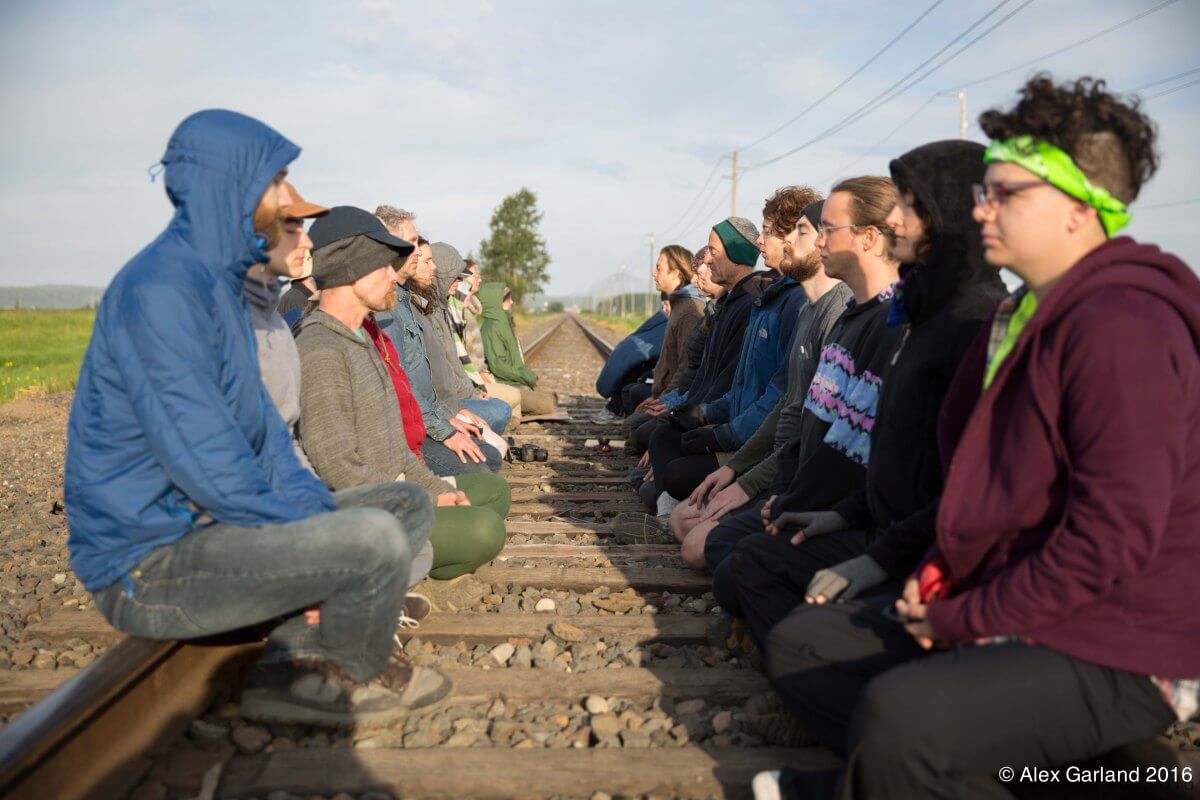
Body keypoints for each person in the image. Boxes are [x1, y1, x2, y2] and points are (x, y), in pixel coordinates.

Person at [757, 75, 1200, 800]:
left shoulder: (1123, 328)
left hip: (1121, 638)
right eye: (982, 189)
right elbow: (982, 490)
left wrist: (963, 617)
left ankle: (882, 779)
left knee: (899, 718)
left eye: (1007, 192)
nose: (981, 206)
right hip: (1021, 595)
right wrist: (900, 564)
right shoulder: (1023, 315)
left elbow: (1112, 541)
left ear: (1077, 206)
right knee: (810, 645)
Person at [64, 110, 450, 729]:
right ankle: (305, 671)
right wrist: (323, 543)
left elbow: (271, 446)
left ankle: (324, 645)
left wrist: (319, 523)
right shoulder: (162, 292)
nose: (291, 199)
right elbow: (208, 462)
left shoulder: (229, 295)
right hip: (151, 559)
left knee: (400, 509)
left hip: (213, 529)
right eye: (277, 182)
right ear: (230, 189)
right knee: (371, 539)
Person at [726, 142, 1007, 659]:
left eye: (912, 205)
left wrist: (879, 551)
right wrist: (844, 514)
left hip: (925, 546)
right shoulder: (921, 312)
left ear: (949, 216)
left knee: (756, 581)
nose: (896, 219)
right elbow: (883, 446)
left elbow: (973, 481)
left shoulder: (973, 320)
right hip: (878, 524)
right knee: (747, 564)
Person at [693, 177, 902, 580]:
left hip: (815, 492)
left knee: (715, 553)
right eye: (814, 231)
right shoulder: (824, 312)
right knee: (710, 542)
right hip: (793, 477)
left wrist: (756, 481)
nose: (818, 242)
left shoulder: (854, 316)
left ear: (870, 237)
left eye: (821, 231)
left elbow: (837, 441)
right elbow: (791, 404)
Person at [294, 206, 509, 582]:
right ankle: (388, 575)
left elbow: (396, 448)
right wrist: (424, 500)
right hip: (368, 513)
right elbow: (339, 468)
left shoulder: (362, 336)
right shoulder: (321, 348)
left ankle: (413, 564)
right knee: (484, 529)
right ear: (350, 268)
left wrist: (435, 489)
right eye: (384, 265)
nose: (395, 276)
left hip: (398, 489)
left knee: (493, 496)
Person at [638, 217, 771, 522]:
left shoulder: (748, 303)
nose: (707, 259)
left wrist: (702, 416)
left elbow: (728, 381)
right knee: (660, 436)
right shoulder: (728, 304)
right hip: (715, 414)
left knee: (667, 464)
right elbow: (702, 374)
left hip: (729, 425)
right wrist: (684, 409)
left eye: (713, 251)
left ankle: (670, 501)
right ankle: (668, 498)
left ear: (736, 252)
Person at [374, 218, 502, 475]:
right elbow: (404, 387)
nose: (420, 254)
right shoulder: (387, 309)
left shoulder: (407, 302)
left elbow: (429, 380)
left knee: (490, 454)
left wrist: (450, 415)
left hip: (428, 416)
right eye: (413, 245)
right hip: (407, 433)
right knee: (486, 462)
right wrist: (446, 427)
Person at [413, 240, 513, 436]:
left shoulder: (440, 309)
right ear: (442, 276)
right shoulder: (430, 311)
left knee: (501, 407)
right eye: (455, 277)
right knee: (501, 409)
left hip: (456, 397)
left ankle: (482, 444)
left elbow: (455, 367)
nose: (460, 283)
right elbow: (442, 371)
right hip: (444, 404)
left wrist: (472, 393)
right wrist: (462, 402)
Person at [450, 259, 524, 423]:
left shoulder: (468, 311)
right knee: (518, 396)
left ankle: (511, 419)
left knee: (519, 395)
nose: (480, 279)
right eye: (476, 275)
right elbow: (463, 357)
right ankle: (507, 420)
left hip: (478, 377)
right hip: (469, 383)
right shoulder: (458, 313)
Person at [478, 283, 559, 416]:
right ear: (495, 303)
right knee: (548, 403)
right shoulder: (492, 328)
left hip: (512, 381)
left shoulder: (502, 324)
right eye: (507, 299)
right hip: (503, 384)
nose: (512, 302)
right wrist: (527, 377)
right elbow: (499, 367)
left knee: (550, 399)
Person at [593, 306, 669, 419]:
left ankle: (615, 409)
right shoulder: (665, 321)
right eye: (663, 305)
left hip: (673, 382)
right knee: (635, 367)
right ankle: (617, 409)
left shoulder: (682, 318)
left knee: (638, 370)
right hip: (664, 373)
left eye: (667, 305)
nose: (664, 308)